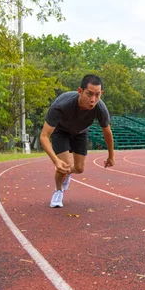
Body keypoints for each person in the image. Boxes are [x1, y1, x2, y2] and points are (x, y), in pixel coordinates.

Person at [39, 74, 115, 208]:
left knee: (79, 169)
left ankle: (68, 174)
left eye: (97, 95)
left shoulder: (100, 108)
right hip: (61, 132)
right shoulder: (62, 105)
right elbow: (44, 136)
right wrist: (56, 161)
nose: (93, 99)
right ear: (80, 91)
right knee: (64, 165)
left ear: (101, 93)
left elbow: (107, 132)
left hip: (80, 132)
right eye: (89, 94)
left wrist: (111, 156)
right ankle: (58, 190)